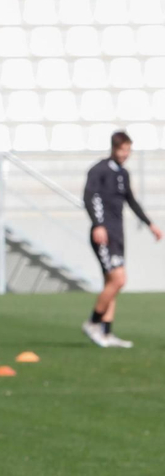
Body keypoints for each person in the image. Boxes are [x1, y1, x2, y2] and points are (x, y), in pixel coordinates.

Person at [81, 131, 161, 349]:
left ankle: (106, 333)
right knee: (119, 280)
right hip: (104, 233)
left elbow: (131, 201)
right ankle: (93, 323)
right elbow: (89, 198)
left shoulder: (123, 174)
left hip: (117, 234)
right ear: (114, 148)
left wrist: (150, 224)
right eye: (122, 150)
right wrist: (97, 224)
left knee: (112, 284)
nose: (125, 154)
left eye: (128, 150)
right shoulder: (98, 170)